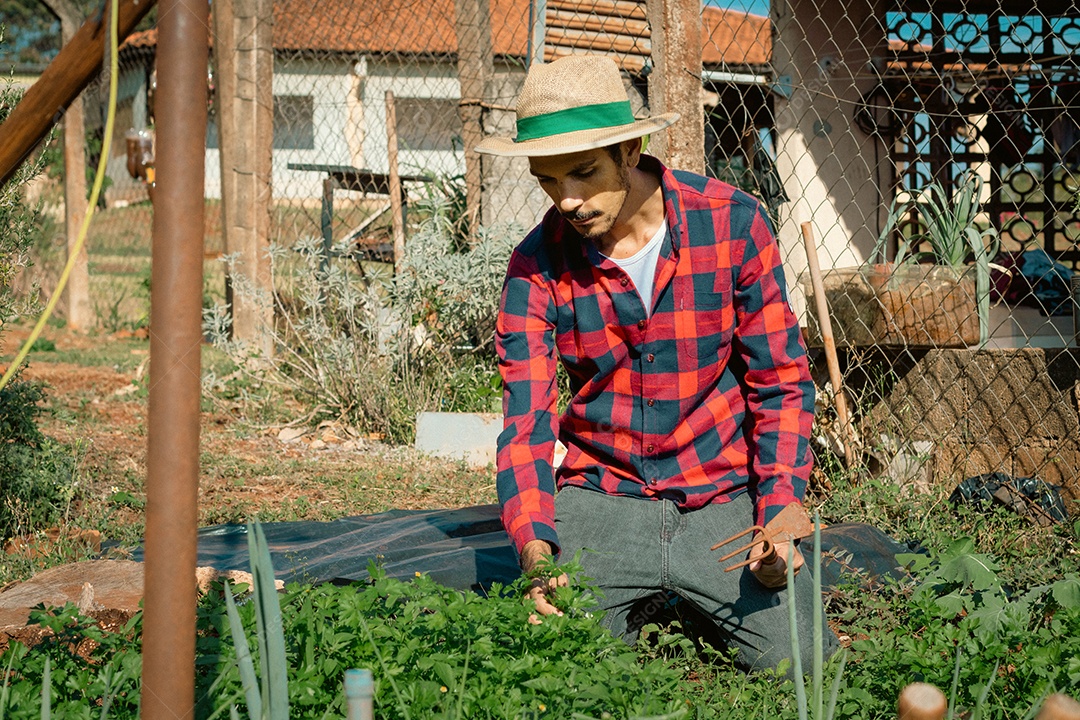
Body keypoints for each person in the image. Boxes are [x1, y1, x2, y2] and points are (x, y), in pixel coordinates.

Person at [476, 54, 836, 672]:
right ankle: (639, 590)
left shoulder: (732, 223)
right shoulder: (534, 265)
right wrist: (536, 552)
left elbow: (781, 381)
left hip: (719, 491)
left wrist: (778, 510)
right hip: (602, 495)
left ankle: (682, 587)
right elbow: (526, 423)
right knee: (552, 659)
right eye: (547, 180)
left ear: (631, 149)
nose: (567, 200)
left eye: (584, 173)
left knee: (802, 662)